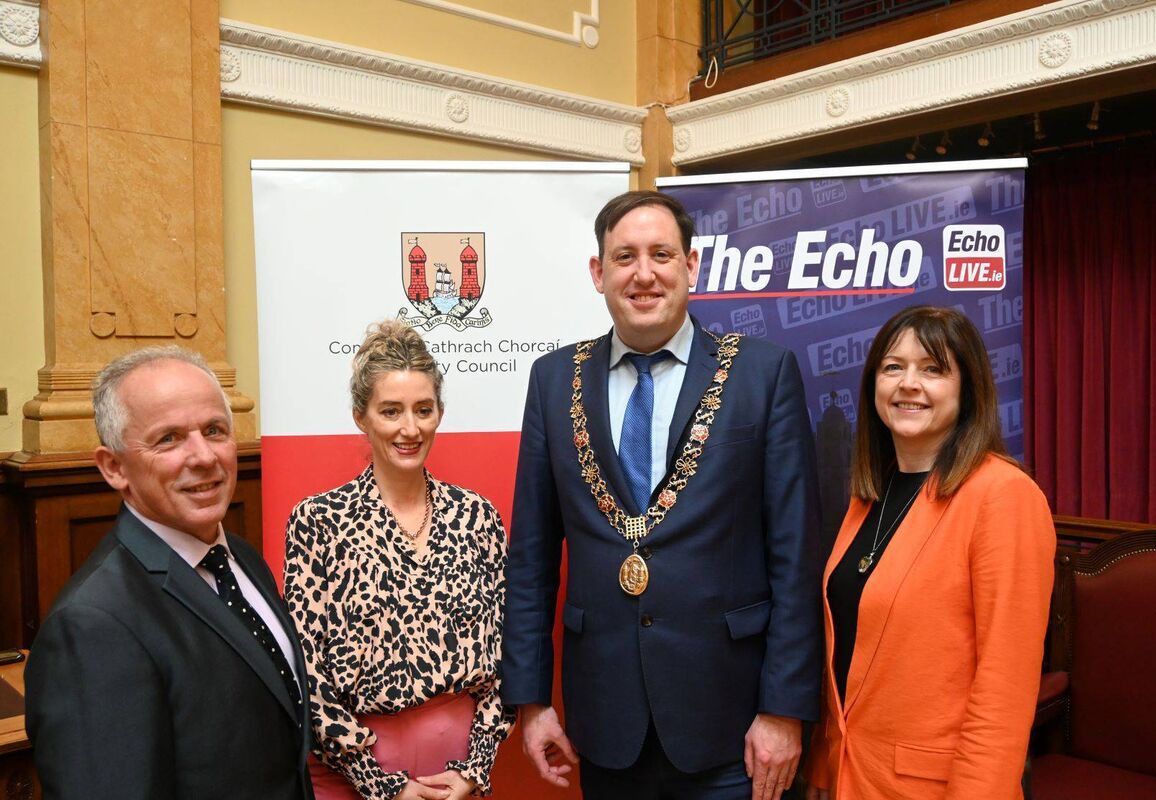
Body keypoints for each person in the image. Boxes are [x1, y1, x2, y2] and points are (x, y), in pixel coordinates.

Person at [501, 190, 823, 800]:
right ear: (598, 273)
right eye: (624, 257)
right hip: (604, 722)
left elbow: (795, 557)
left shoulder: (762, 373)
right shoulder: (553, 380)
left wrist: (784, 710)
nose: (643, 274)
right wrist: (532, 701)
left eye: (661, 255)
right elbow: (532, 560)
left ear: (691, 267)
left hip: (734, 723)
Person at [26, 346, 313, 800]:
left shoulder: (242, 559)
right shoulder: (93, 625)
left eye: (214, 430)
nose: (203, 456)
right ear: (114, 467)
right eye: (169, 439)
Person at [803, 305, 1055, 800]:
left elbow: (1004, 692)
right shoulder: (869, 494)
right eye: (893, 367)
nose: (908, 383)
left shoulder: (1003, 496)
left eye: (933, 369)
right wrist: (824, 764)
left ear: (968, 388)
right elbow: (851, 651)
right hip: (849, 776)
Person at [285, 320, 515, 800]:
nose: (410, 429)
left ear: (439, 413)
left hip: (460, 779)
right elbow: (306, 672)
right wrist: (382, 784)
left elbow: (510, 651)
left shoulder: (477, 516)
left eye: (423, 410)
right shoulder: (317, 523)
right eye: (391, 411)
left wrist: (475, 766)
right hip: (354, 778)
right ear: (360, 417)